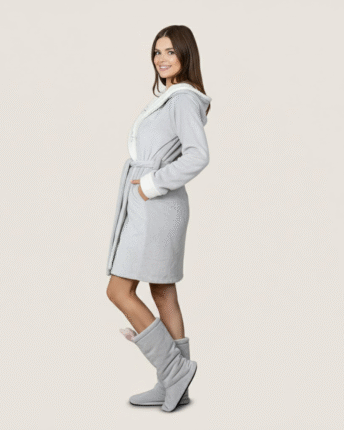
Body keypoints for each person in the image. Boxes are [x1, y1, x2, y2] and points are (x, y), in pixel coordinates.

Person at [106, 25, 212, 412]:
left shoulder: (182, 99)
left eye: (170, 51)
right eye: (156, 52)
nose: (162, 59)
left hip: (156, 205)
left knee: (118, 291)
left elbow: (198, 155)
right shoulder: (171, 97)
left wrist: (150, 184)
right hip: (154, 205)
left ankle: (174, 370)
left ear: (186, 54)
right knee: (163, 292)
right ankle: (172, 387)